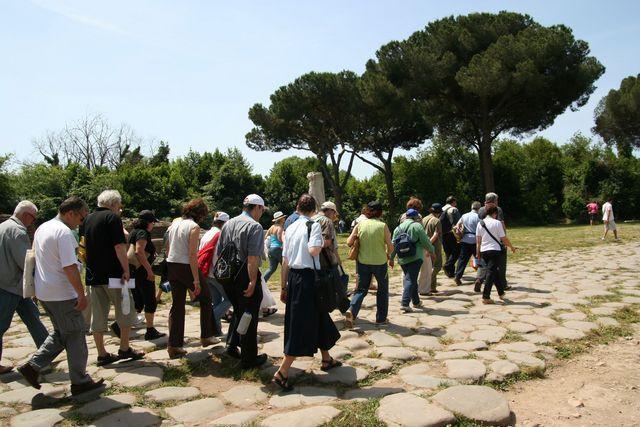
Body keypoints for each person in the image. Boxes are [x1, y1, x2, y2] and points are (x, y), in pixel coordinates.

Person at [18, 197, 105, 396]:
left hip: (45, 292)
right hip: (62, 294)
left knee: (61, 333)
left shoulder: (43, 228)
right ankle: (80, 381)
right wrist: (81, 294)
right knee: (75, 336)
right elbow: (70, 267)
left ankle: (32, 366)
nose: (81, 223)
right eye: (81, 218)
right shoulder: (64, 233)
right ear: (70, 214)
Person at [272, 194, 341, 391]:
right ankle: (283, 372)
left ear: (297, 208)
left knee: (319, 316)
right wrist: (321, 243)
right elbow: (313, 251)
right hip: (309, 278)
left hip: (293, 277)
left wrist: (284, 286)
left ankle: (326, 359)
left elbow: (285, 260)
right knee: (300, 324)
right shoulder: (314, 226)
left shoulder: (290, 227)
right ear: (314, 209)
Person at [83, 190, 143, 366]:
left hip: (94, 275)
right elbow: (119, 246)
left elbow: (83, 246)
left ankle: (102, 353)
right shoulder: (112, 218)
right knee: (125, 308)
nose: (120, 208)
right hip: (114, 274)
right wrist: (126, 269)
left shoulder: (88, 218)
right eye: (119, 204)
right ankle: (124, 348)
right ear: (114, 203)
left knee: (99, 314)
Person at [216, 194, 268, 369]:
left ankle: (232, 345)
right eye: (262, 209)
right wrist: (253, 281)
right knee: (249, 316)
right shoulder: (255, 227)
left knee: (239, 312)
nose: (262, 213)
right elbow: (252, 258)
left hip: (228, 276)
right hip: (245, 275)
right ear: (257, 208)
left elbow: (220, 252)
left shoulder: (228, 224)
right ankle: (248, 359)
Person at [165, 198, 219, 359]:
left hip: (172, 265)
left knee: (178, 305)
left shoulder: (174, 224)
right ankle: (206, 335)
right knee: (206, 297)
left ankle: (174, 345)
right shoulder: (194, 227)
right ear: (200, 214)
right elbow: (191, 255)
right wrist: (196, 280)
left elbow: (168, 247)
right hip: (185, 265)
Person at [0, 201, 49, 375]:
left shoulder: (3, 226)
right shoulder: (17, 231)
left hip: (13, 285)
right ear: (27, 215)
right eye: (33, 219)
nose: (32, 223)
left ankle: (46, 355)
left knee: (33, 317)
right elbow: (26, 262)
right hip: (10, 285)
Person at [344, 201, 393, 327]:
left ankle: (352, 311)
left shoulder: (360, 224)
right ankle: (381, 319)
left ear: (367, 211)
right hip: (380, 263)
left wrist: (356, 236)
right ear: (380, 212)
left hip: (363, 262)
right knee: (382, 290)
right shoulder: (383, 226)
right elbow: (391, 246)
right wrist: (388, 254)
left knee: (360, 290)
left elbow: (349, 242)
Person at [129, 210, 165, 341]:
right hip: (142, 271)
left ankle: (120, 324)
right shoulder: (143, 233)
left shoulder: (134, 231)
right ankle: (150, 330)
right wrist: (149, 271)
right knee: (149, 299)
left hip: (133, 270)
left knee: (137, 300)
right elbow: (139, 251)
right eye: (153, 223)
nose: (153, 225)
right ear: (148, 222)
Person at [390, 208, 435, 313]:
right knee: (410, 280)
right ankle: (405, 303)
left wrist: (391, 258)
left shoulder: (398, 228)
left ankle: (416, 302)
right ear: (416, 217)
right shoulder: (417, 226)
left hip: (402, 258)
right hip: (415, 257)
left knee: (411, 279)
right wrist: (432, 251)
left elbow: (393, 245)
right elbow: (425, 241)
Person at [198, 211, 231, 337]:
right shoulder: (219, 234)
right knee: (230, 299)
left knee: (217, 301)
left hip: (206, 273)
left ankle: (217, 331)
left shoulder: (207, 234)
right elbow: (218, 257)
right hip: (216, 274)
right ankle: (211, 319)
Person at [476, 205, 516, 304]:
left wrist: (478, 253)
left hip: (484, 250)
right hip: (494, 250)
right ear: (495, 213)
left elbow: (478, 241)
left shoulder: (480, 223)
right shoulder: (497, 223)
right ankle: (486, 296)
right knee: (491, 272)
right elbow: (503, 238)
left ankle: (501, 292)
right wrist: (511, 247)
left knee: (494, 271)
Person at [312, 201, 349, 311]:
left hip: (314, 261)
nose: (334, 216)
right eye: (334, 213)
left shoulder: (311, 219)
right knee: (339, 289)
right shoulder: (326, 221)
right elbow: (327, 242)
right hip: (327, 261)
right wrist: (337, 259)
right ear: (330, 211)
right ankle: (348, 312)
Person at [474, 193, 507, 292]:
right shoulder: (497, 209)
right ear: (494, 201)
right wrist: (504, 238)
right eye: (497, 200)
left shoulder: (480, 210)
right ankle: (502, 284)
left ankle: (479, 279)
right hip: (495, 241)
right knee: (500, 264)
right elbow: (501, 223)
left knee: (483, 263)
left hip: (483, 239)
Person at [453, 201, 481, 285]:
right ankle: (480, 278)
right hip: (475, 240)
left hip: (464, 239)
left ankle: (458, 276)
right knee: (479, 258)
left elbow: (457, 226)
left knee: (462, 259)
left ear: (472, 207)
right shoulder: (479, 217)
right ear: (479, 208)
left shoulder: (464, 215)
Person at [421, 204, 443, 295]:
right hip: (434, 247)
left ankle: (432, 287)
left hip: (423, 246)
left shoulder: (424, 219)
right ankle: (428, 284)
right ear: (439, 212)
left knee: (428, 266)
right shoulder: (437, 221)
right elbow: (436, 234)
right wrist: (429, 244)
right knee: (437, 266)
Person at [441, 196, 461, 278]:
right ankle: (447, 266)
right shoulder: (453, 209)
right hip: (451, 233)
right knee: (456, 252)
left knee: (448, 252)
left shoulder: (441, 209)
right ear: (453, 202)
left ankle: (450, 273)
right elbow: (458, 223)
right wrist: (460, 234)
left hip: (442, 233)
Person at [263, 211, 286, 283]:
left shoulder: (272, 227)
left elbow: (266, 236)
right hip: (278, 248)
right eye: (283, 218)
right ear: (281, 219)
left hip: (271, 249)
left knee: (272, 268)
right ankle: (287, 283)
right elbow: (280, 238)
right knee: (285, 267)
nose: (284, 218)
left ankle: (262, 281)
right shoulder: (280, 227)